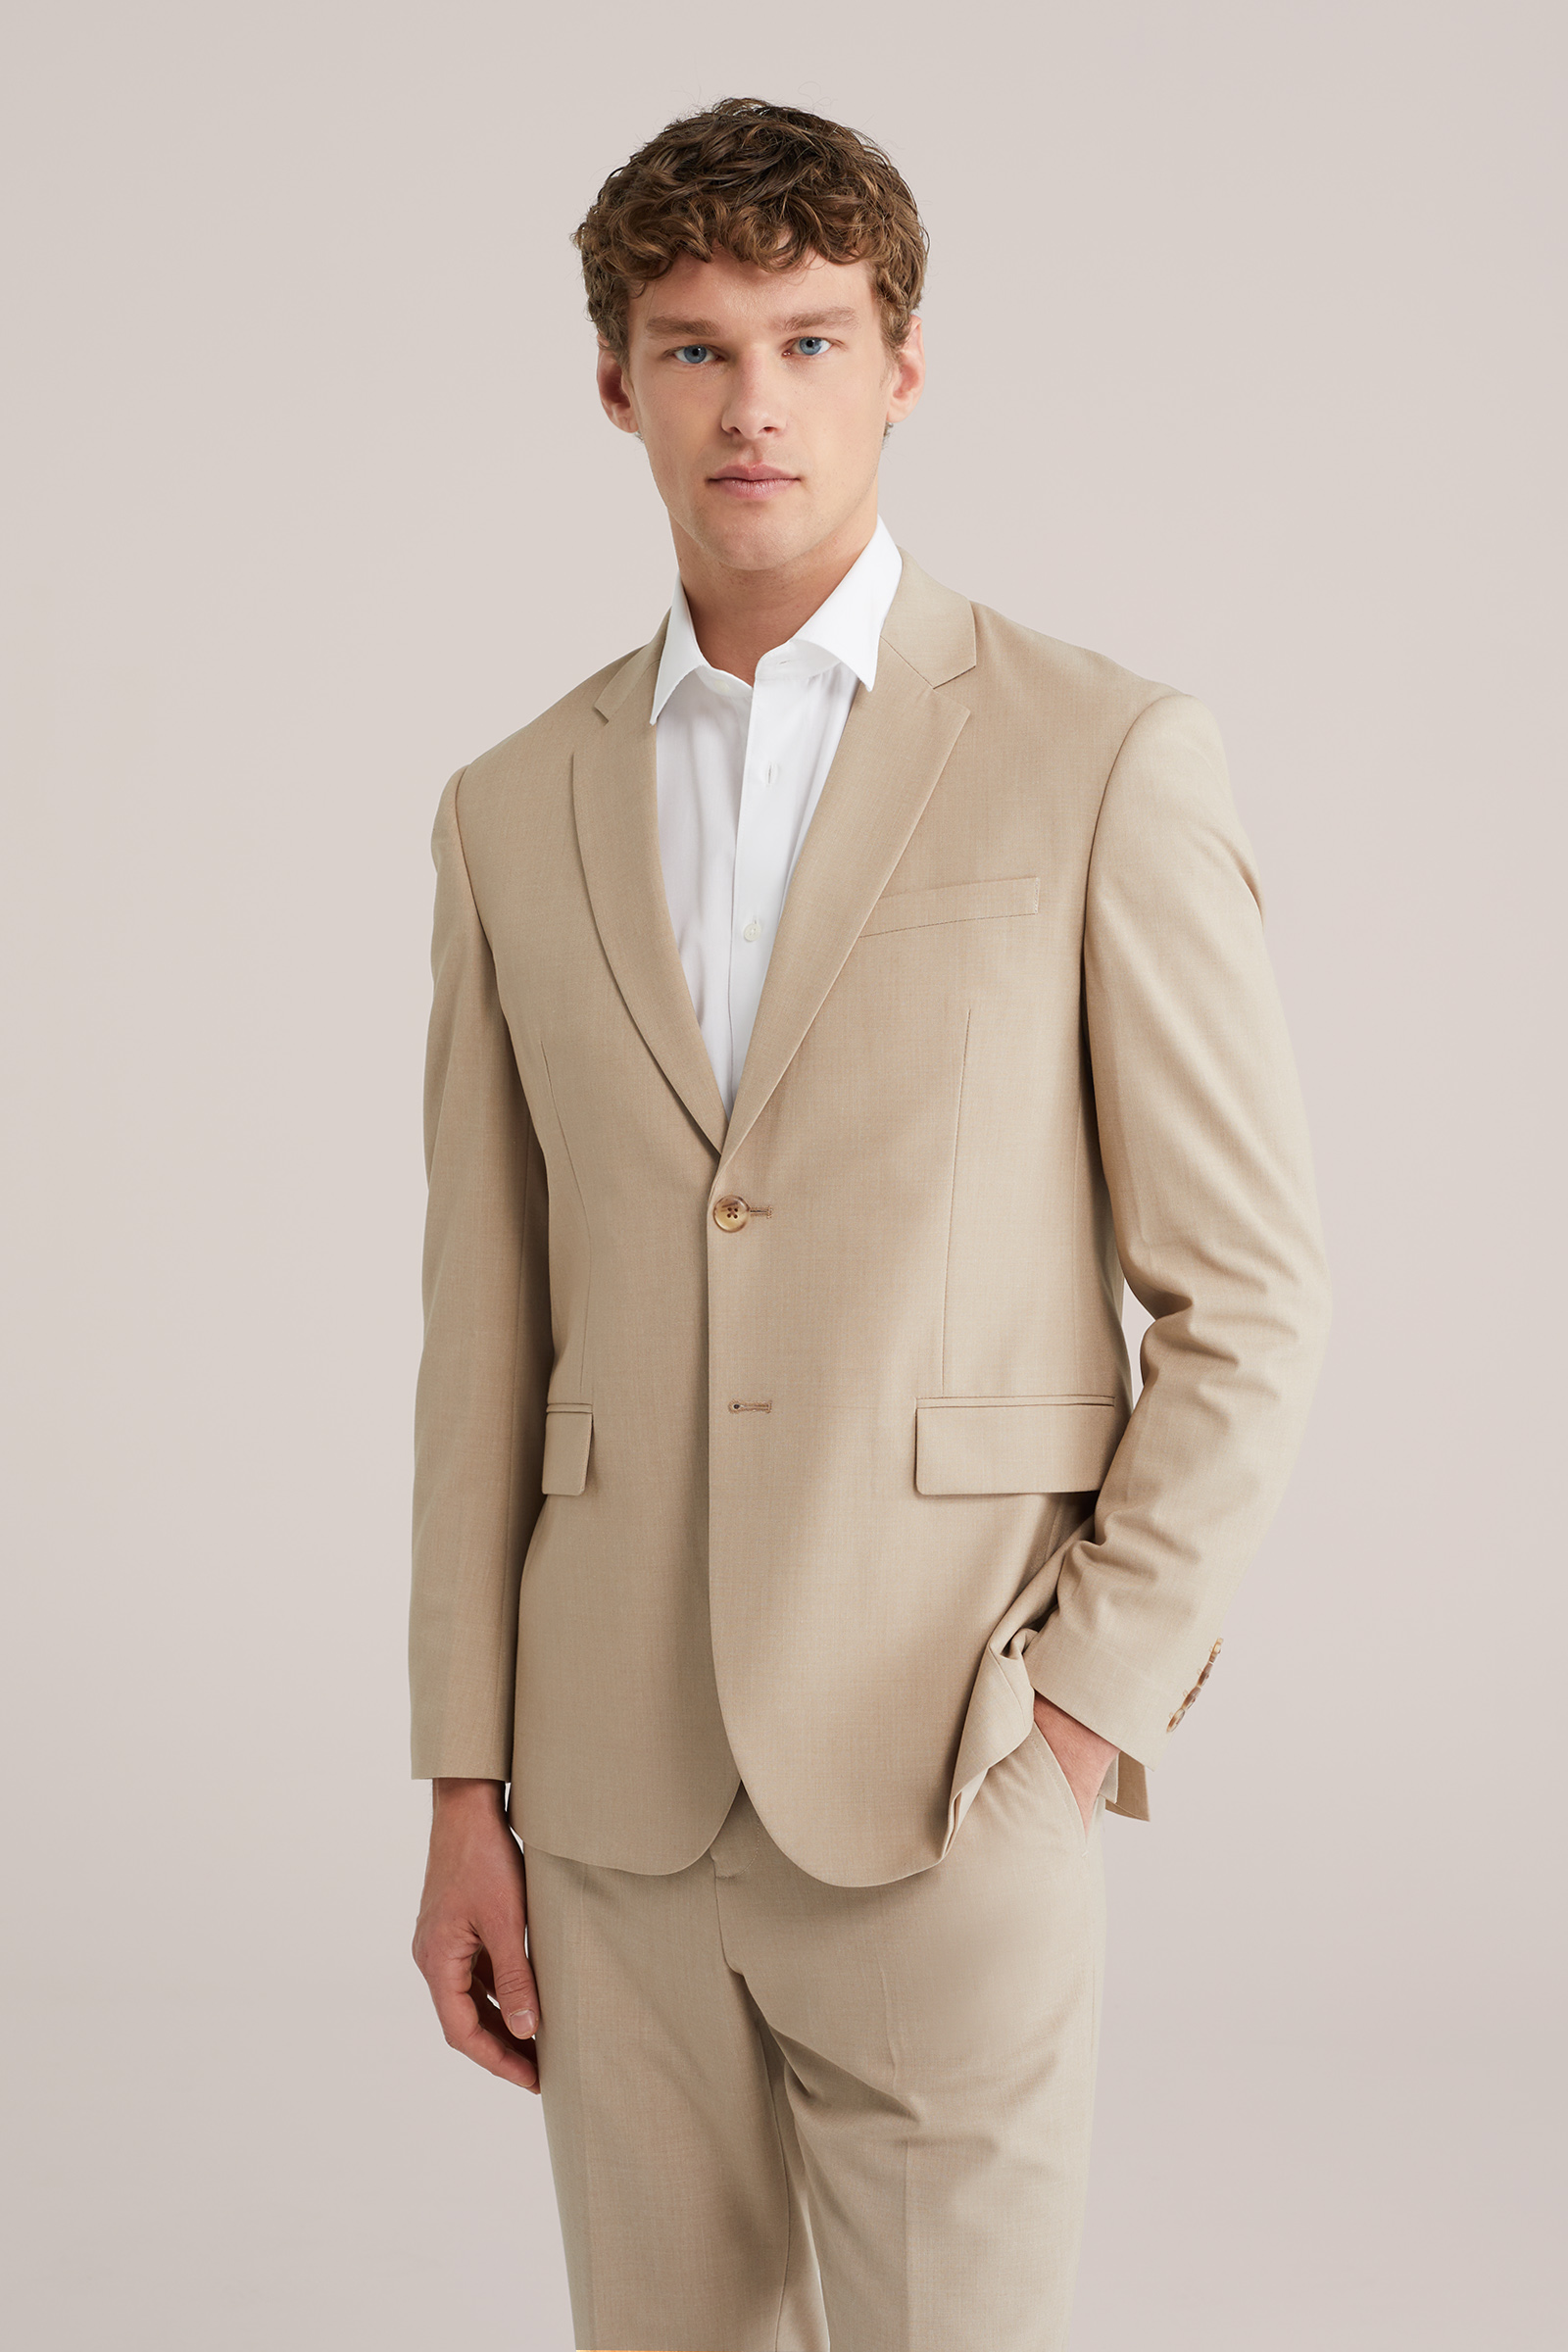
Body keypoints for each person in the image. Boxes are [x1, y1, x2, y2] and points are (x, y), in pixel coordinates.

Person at [408, 94, 1330, 2352]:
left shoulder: (1095, 756)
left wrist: (1077, 1723)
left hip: (947, 1770)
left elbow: (1246, 1297)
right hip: (605, 1800)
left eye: (808, 342)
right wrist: (462, 1783)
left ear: (901, 368)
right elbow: (484, 1330)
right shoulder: (510, 807)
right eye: (696, 347)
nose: (755, 403)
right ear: (614, 383)